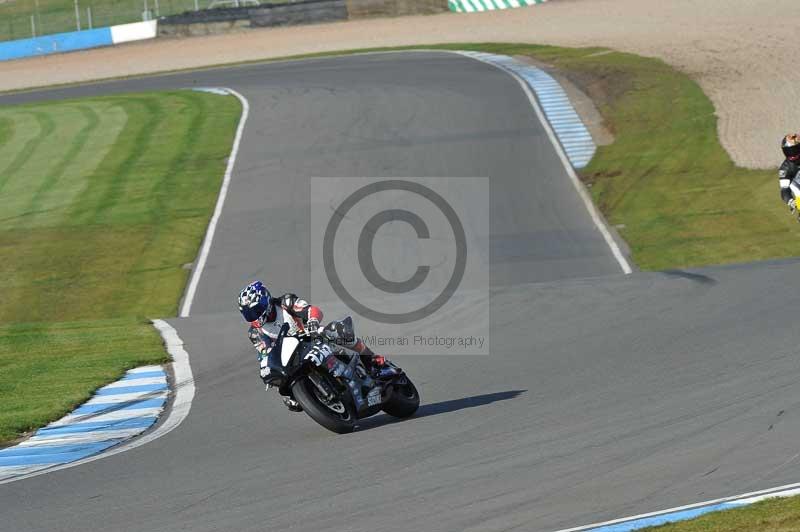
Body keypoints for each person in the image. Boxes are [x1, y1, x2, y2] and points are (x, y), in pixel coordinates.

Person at [237, 280, 394, 412]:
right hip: (292, 357)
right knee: (290, 399)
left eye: (256, 310)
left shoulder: (285, 303)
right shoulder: (255, 333)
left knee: (337, 331)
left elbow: (312, 310)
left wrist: (312, 320)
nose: (255, 316)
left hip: (310, 337)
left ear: (266, 300)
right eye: (249, 314)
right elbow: (264, 354)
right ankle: (314, 396)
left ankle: (371, 360)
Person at [779, 134, 800, 213]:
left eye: (794, 150)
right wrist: (791, 201)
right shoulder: (785, 168)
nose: (792, 154)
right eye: (789, 151)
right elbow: (784, 190)